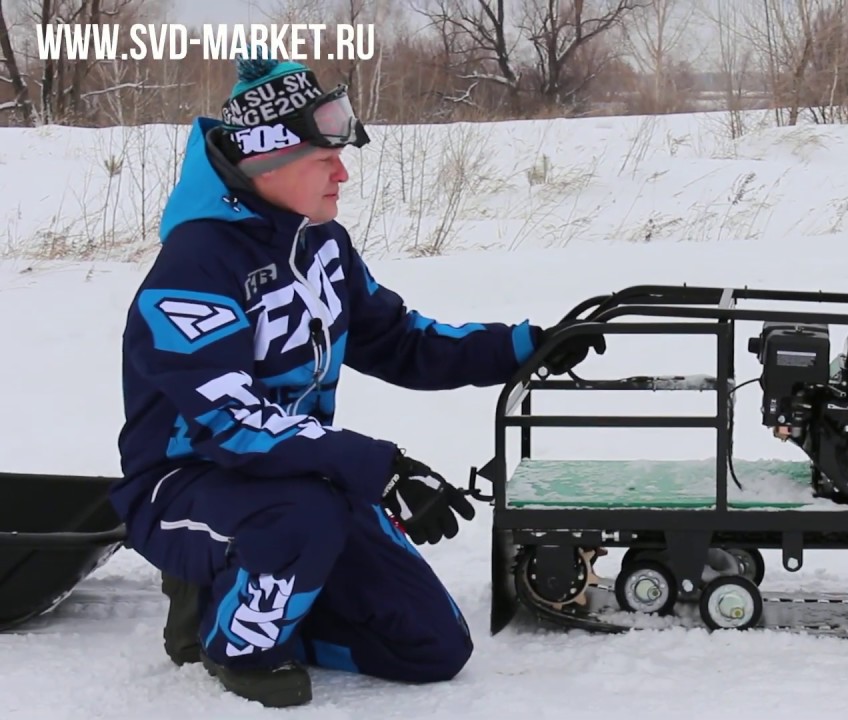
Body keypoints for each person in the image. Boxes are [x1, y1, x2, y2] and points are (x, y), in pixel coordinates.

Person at [110, 54, 603, 708]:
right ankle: (232, 639)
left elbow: (400, 341)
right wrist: (378, 467)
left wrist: (520, 348)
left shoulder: (324, 246)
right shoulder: (193, 269)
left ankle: (279, 593)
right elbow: (231, 423)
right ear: (268, 160)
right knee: (301, 519)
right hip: (185, 486)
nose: (342, 172)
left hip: (297, 477)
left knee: (432, 648)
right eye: (324, 159)